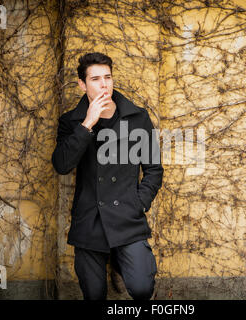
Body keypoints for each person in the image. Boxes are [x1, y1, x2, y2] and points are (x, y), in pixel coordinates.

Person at [51, 52, 164, 300]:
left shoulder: (138, 118)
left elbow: (154, 170)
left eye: (108, 77)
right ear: (82, 84)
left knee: (143, 288)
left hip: (128, 217)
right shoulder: (71, 122)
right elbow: (61, 165)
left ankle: (122, 267)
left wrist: (139, 202)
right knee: (94, 294)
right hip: (89, 220)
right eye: (95, 79)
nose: (104, 84)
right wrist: (86, 125)